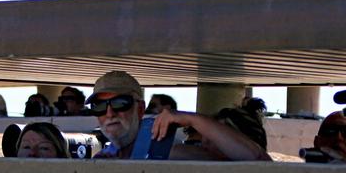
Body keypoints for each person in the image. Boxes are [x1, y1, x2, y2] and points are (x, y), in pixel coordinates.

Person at [87, 71, 269, 161]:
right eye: (100, 106)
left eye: (120, 103)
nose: (110, 113)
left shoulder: (162, 151)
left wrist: (192, 119)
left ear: (140, 109)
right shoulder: (106, 155)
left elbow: (257, 160)